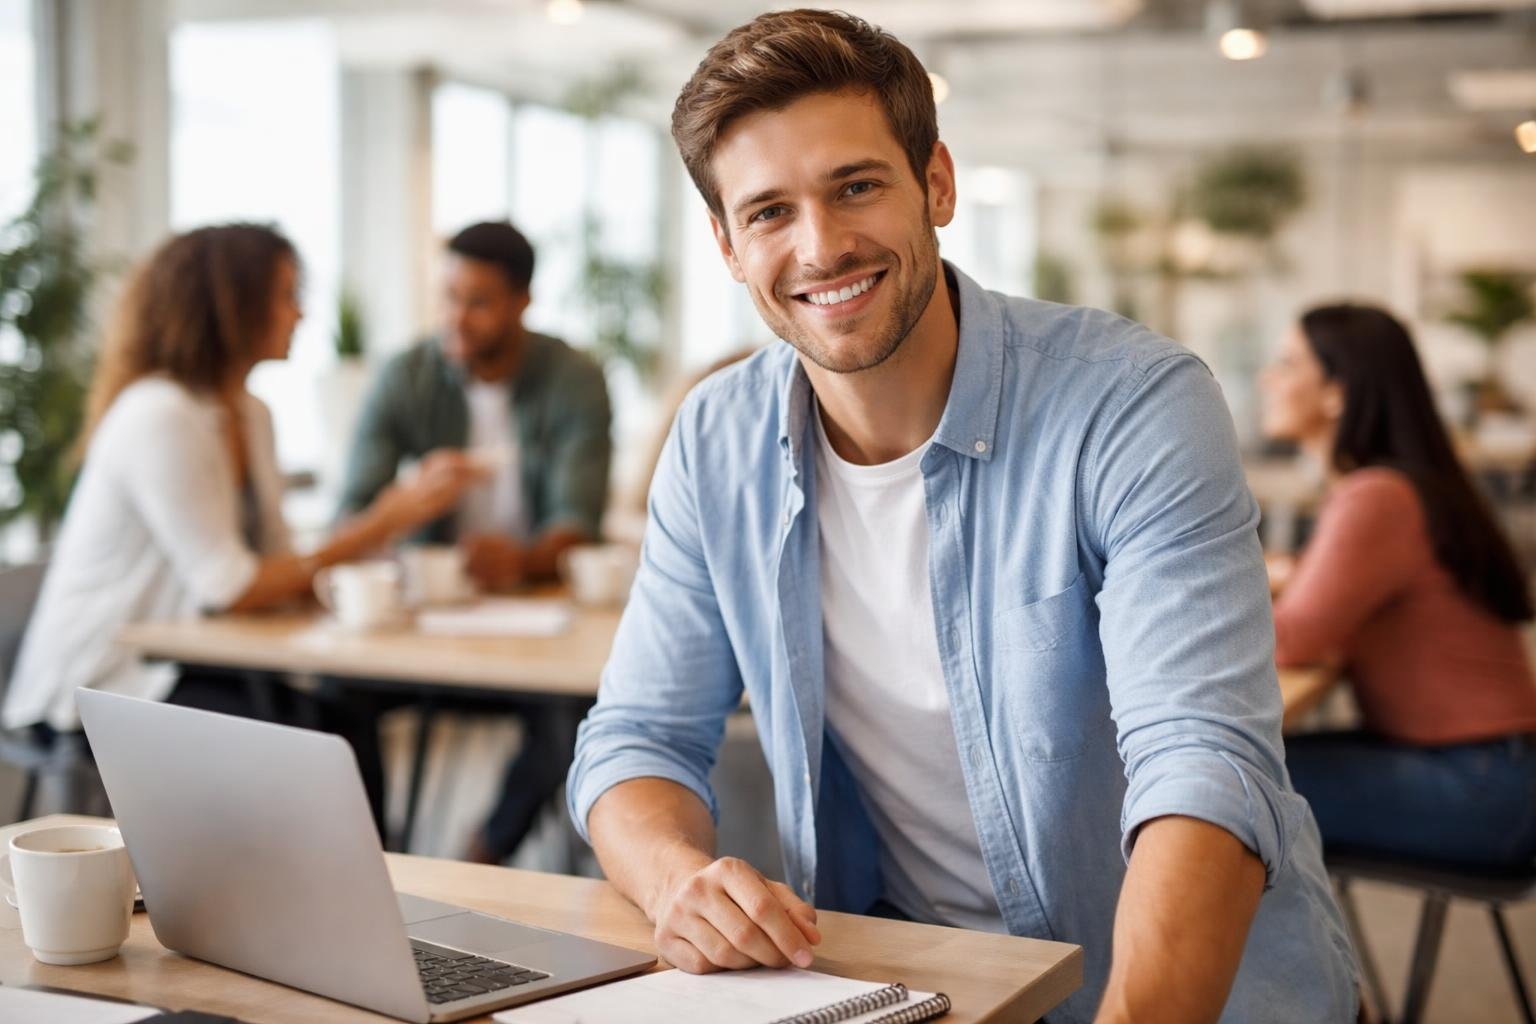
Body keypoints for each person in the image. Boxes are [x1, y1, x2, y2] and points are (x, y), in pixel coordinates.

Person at [567, 10, 1356, 1023]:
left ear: (935, 182)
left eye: (856, 185)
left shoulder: (1133, 403)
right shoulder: (716, 441)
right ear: (726, 244)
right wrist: (677, 880)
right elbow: (635, 737)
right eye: (769, 212)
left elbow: (1202, 764)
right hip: (915, 986)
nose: (820, 246)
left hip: (1179, 993)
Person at [3, 224, 472, 738]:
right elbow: (230, 587)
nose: (301, 313)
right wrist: (383, 521)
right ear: (233, 305)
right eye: (286, 295)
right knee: (317, 736)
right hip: (104, 683)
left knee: (344, 718)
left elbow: (276, 562)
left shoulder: (251, 415)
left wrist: (386, 546)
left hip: (182, 667)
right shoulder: (159, 415)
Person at [338, 220, 612, 864]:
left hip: (538, 624)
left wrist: (522, 559)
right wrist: (408, 506)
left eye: (479, 301)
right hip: (426, 624)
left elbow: (578, 518)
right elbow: (351, 513)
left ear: (522, 301)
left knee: (573, 712)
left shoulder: (573, 378)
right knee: (336, 693)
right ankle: (369, 865)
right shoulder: (406, 376)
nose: (457, 318)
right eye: (448, 297)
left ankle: (480, 857)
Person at [1263, 303, 1536, 868]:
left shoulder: (1376, 497)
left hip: (1483, 788)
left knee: (1217, 785)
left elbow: (1291, 640)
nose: (1269, 377)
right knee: (1232, 772)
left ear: (1338, 392)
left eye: (1288, 363)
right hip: (1494, 769)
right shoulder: (1396, 486)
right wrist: (1286, 570)